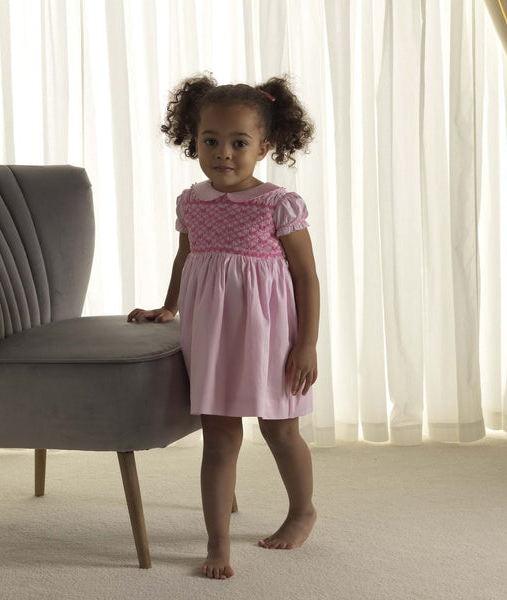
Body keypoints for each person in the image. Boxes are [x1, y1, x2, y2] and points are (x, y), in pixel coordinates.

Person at [127, 73, 320, 580]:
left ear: (265, 147)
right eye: (210, 141)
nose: (223, 153)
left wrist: (307, 346)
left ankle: (302, 511)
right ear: (193, 140)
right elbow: (186, 258)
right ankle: (217, 543)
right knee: (219, 439)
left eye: (239, 143)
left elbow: (306, 277)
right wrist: (169, 307)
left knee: (280, 431)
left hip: (270, 337)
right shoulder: (192, 201)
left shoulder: (279, 204)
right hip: (211, 335)